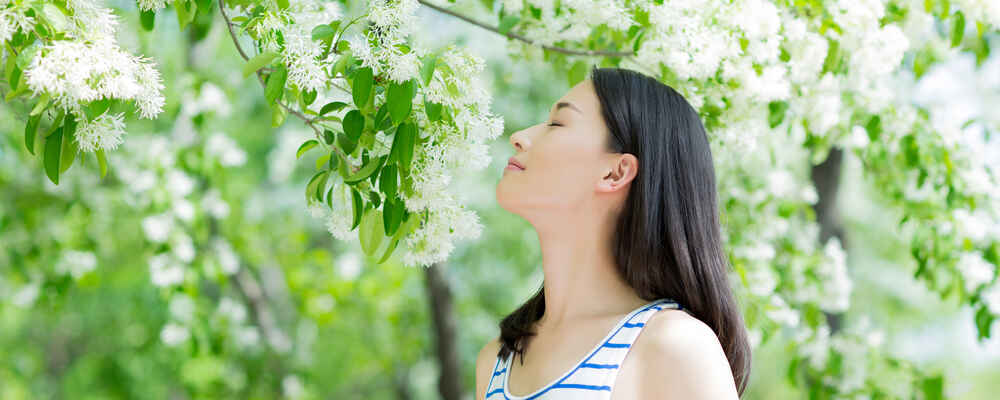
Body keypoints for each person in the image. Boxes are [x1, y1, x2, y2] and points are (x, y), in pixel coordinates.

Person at [477, 66, 751, 400]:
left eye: (557, 124)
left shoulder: (674, 346)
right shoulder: (498, 360)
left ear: (616, 172)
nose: (519, 136)